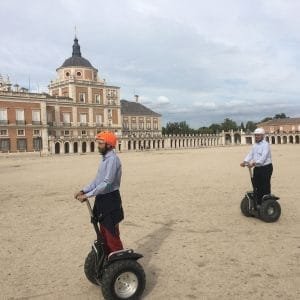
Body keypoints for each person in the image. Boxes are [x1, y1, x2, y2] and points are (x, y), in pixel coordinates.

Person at [74, 131, 124, 254]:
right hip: (102, 199)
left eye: (101, 143)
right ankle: (107, 262)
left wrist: (88, 195)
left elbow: (107, 183)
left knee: (111, 235)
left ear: (109, 145)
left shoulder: (112, 160)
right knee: (103, 235)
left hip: (110, 200)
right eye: (98, 143)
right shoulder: (104, 159)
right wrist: (83, 190)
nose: (98, 146)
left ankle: (119, 263)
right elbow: (97, 180)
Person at [240, 128, 273, 204]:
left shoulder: (266, 145)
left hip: (266, 168)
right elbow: (250, 154)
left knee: (265, 184)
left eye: (258, 135)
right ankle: (258, 201)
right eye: (255, 135)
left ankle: (266, 201)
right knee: (256, 184)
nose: (256, 137)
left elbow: (263, 158)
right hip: (257, 168)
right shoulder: (255, 145)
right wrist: (245, 161)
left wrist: (254, 163)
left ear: (262, 136)